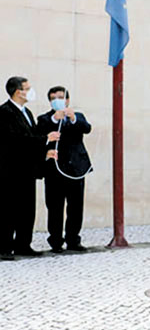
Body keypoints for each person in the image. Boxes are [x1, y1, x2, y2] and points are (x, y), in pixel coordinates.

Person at [0, 76, 60, 259]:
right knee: (9, 210)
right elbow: (15, 141)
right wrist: (46, 139)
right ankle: (4, 247)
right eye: (28, 88)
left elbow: (31, 139)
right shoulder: (4, 112)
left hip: (27, 170)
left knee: (27, 209)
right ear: (18, 91)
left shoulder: (27, 113)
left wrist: (45, 153)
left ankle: (23, 244)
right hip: (10, 170)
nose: (30, 91)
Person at [35, 86, 92, 253]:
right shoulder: (44, 119)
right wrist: (54, 119)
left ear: (67, 100)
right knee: (54, 207)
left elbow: (87, 128)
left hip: (76, 169)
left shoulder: (78, 116)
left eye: (61, 97)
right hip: (54, 170)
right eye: (54, 98)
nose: (57, 100)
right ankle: (56, 241)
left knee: (76, 207)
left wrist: (73, 117)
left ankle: (73, 240)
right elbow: (39, 135)